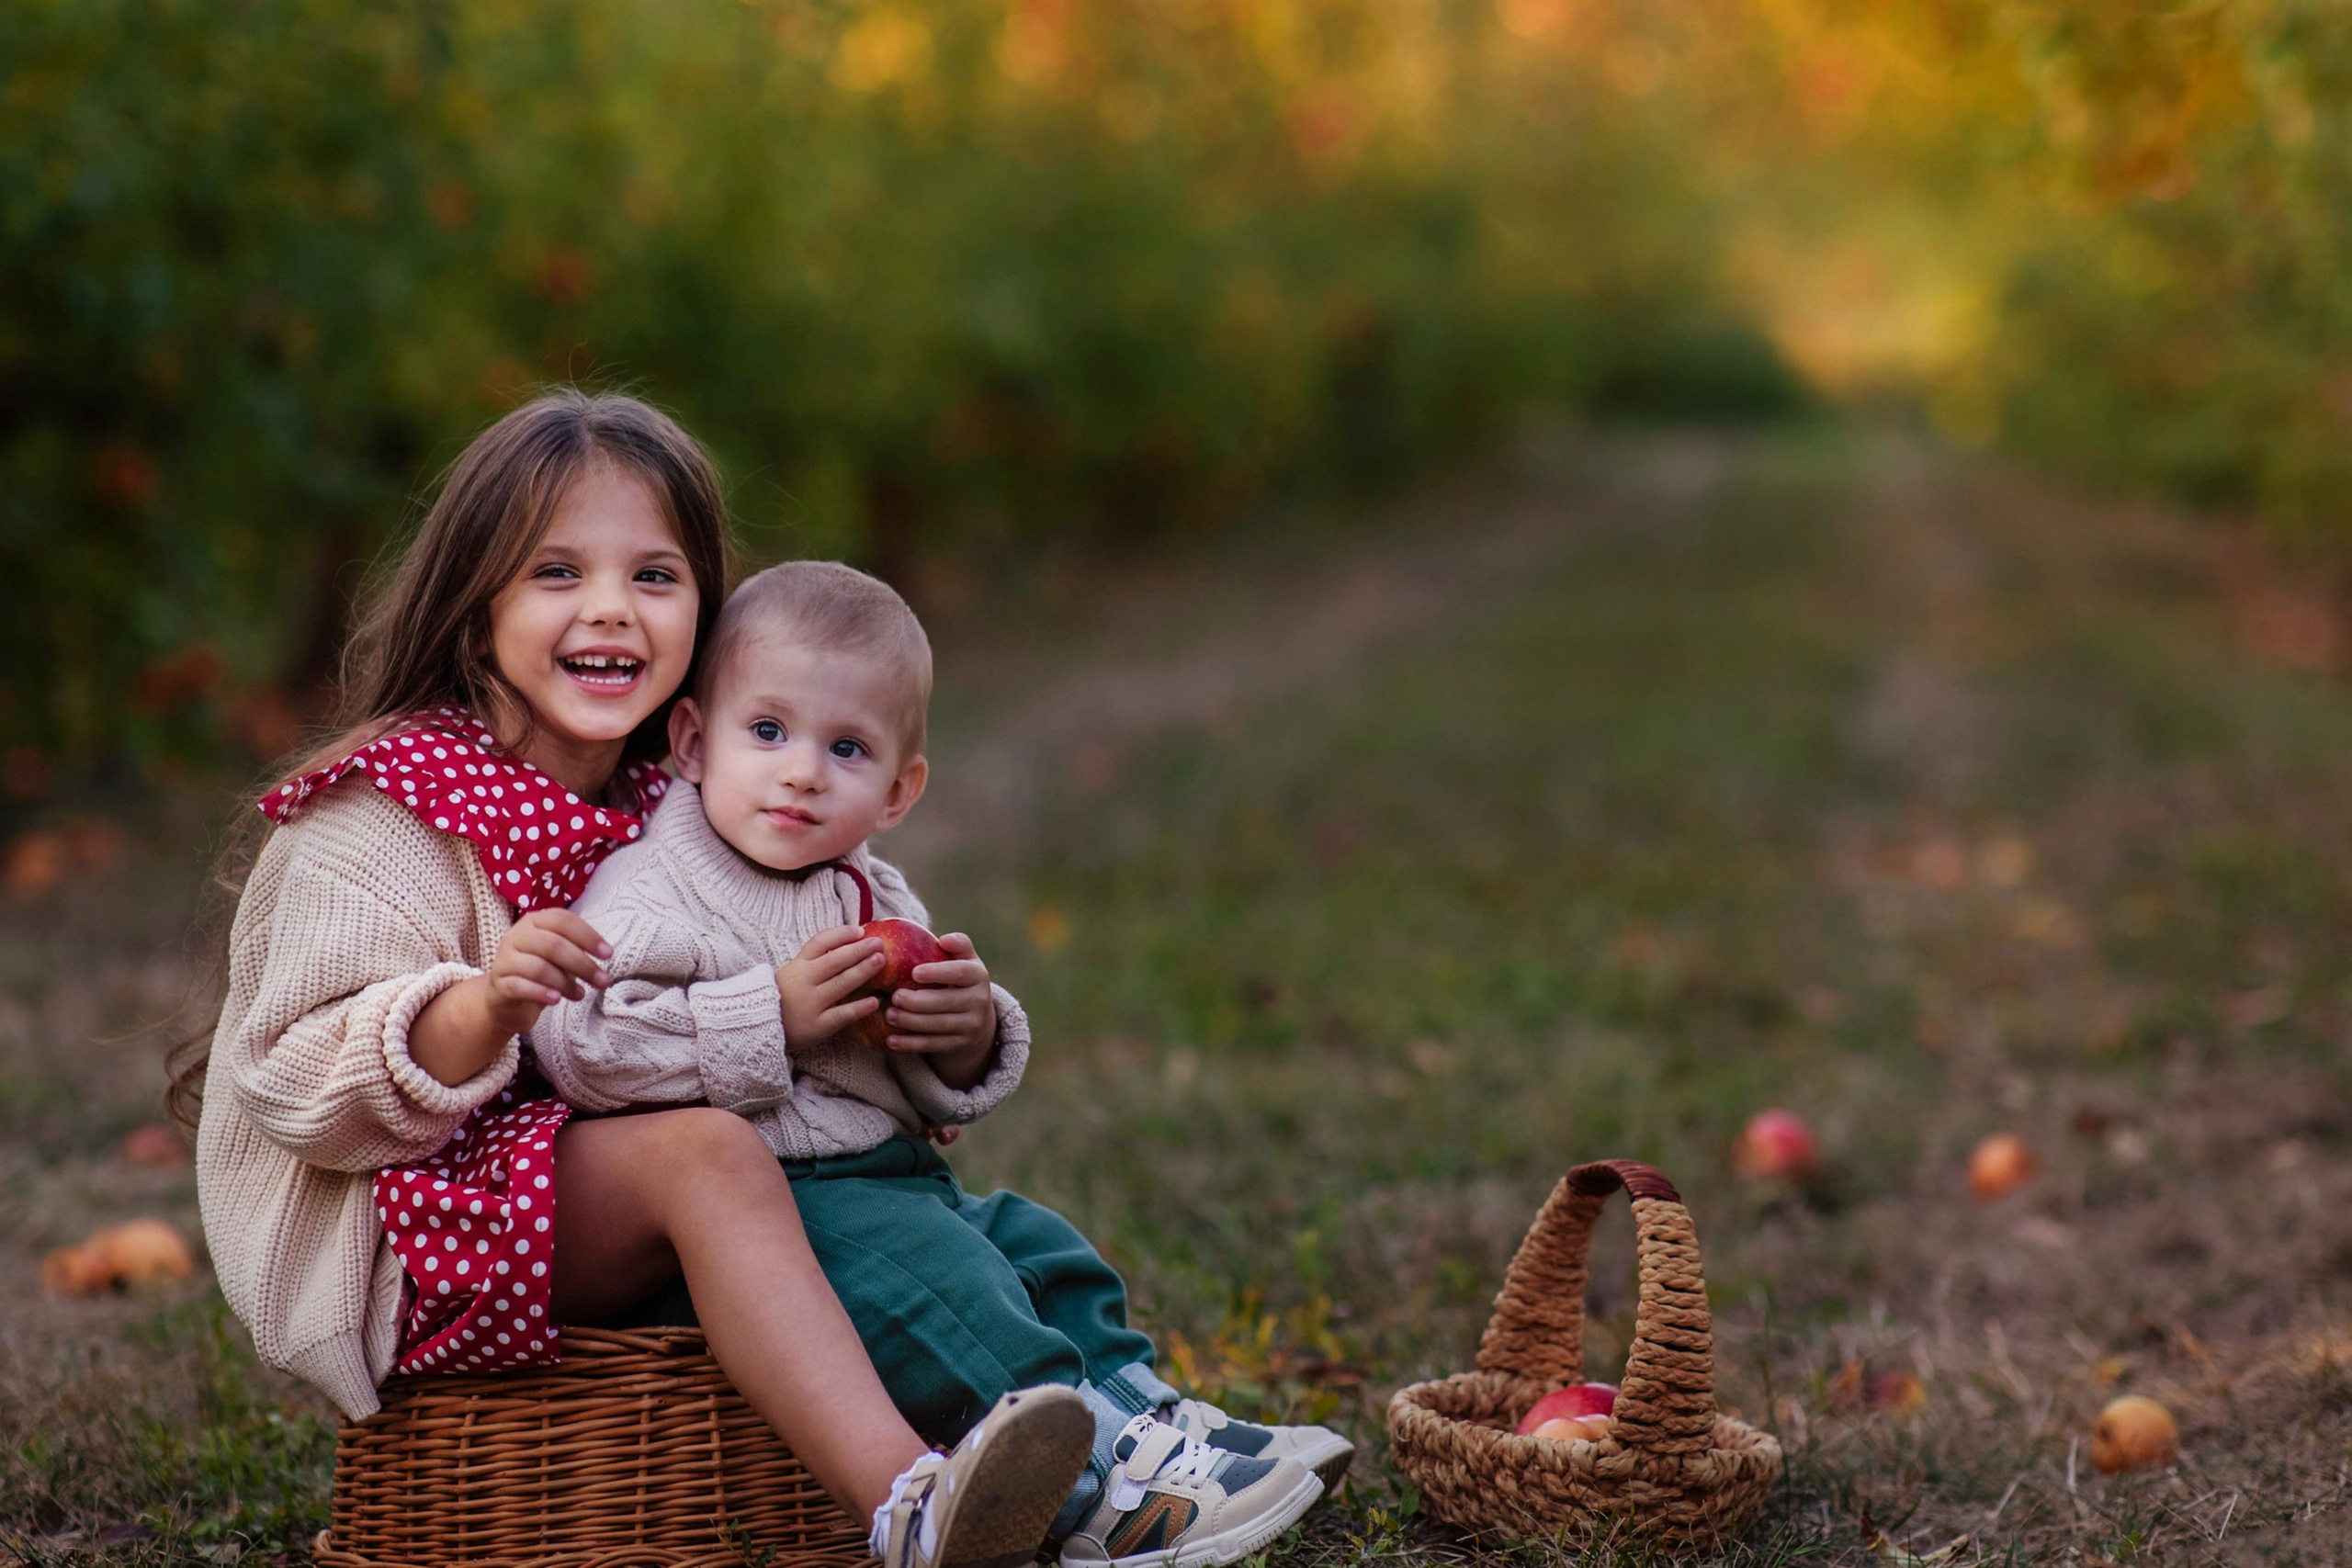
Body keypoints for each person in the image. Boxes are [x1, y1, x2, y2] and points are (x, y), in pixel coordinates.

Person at [181, 390, 1094, 1568]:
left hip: (598, 1187)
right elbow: (288, 1085)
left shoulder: (689, 799)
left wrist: (922, 1029)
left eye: (654, 576)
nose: (609, 607)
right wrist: (482, 1005)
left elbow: (784, 1003)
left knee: (951, 1222)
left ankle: (1129, 1434)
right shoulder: (381, 819)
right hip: (406, 1229)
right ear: (479, 603)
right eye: (555, 572)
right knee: (709, 1154)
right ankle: (906, 1502)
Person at [527, 561, 1351, 1568]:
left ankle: (1156, 1423)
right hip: (779, 1207)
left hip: (891, 1179)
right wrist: (769, 1017)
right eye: (768, 732)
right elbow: (586, 1049)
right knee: (949, 1292)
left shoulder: (871, 893)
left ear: (897, 790)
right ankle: (1105, 1494)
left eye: (847, 749)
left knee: (1037, 1250)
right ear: (693, 742)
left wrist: (961, 1032)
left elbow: (918, 1082)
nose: (801, 772)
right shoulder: (650, 888)